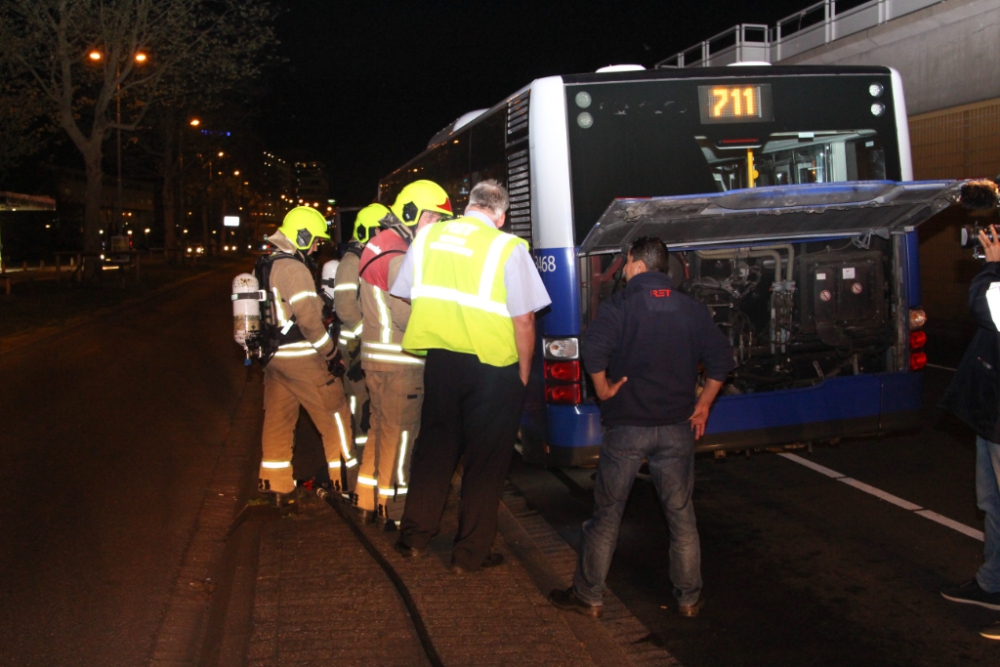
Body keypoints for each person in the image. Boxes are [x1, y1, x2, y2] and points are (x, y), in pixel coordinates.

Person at [548, 236, 733, 618]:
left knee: (607, 515)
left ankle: (589, 596)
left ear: (636, 263)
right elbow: (721, 361)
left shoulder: (619, 307)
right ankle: (688, 599)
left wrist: (603, 389)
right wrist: (702, 407)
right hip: (677, 429)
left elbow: (593, 350)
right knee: (681, 517)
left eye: (626, 262)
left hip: (627, 428)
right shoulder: (691, 309)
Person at [391, 179, 551, 573]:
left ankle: (413, 538)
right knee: (486, 462)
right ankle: (468, 554)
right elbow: (525, 319)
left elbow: (409, 293)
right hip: (494, 370)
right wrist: (523, 374)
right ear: (501, 214)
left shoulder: (427, 239)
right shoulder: (507, 247)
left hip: (442, 362)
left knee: (434, 450)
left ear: (469, 205)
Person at [353, 181, 454, 528]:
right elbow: (405, 314)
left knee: (380, 433)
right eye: (434, 218)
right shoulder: (400, 255)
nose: (438, 227)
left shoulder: (379, 245)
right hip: (401, 363)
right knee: (402, 440)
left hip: (377, 361)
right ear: (411, 213)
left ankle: (367, 501)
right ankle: (394, 513)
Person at [257, 206, 357, 503]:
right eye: (314, 240)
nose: (316, 247)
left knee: (278, 422)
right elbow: (310, 321)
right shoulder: (294, 268)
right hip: (302, 358)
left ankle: (276, 488)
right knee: (336, 417)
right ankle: (345, 486)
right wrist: (331, 354)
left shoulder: (264, 265)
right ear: (301, 236)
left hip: (274, 360)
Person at [939, 218, 1000, 641]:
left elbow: (987, 307)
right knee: (992, 503)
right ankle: (991, 584)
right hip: (993, 413)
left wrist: (994, 267)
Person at [333, 203, 387, 441]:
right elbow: (345, 308)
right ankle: (361, 466)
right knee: (360, 410)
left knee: (371, 408)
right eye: (381, 229)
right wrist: (370, 336)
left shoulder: (367, 258)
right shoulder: (351, 262)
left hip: (364, 346)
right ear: (368, 231)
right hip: (355, 347)